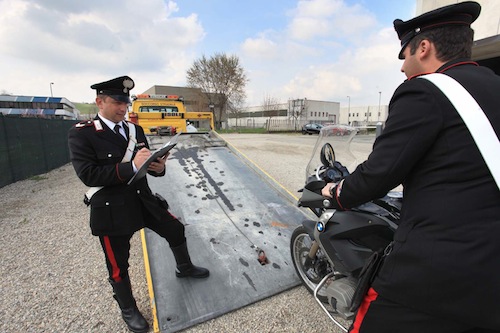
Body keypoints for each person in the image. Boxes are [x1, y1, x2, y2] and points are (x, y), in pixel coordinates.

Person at [321, 2, 500, 332]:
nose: (403, 67)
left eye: (404, 55)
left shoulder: (424, 91)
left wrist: (335, 191)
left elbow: (379, 173)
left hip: (441, 270)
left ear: (424, 47)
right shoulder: (493, 84)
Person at [68, 76, 209, 333]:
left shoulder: (135, 130)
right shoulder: (83, 133)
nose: (123, 108)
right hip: (111, 206)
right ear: (100, 102)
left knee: (175, 229)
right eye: (117, 102)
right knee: (118, 264)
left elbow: (147, 168)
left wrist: (159, 166)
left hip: (143, 200)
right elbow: (88, 174)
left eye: (126, 102)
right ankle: (128, 309)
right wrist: (130, 166)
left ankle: (184, 267)